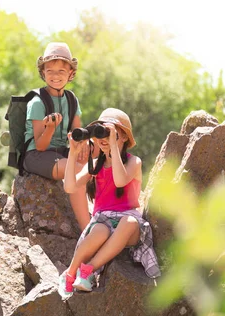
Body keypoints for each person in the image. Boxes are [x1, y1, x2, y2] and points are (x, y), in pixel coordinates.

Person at [59, 108, 161, 299]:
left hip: (127, 226)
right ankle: (70, 274)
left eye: (109, 132)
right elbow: (70, 187)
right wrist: (72, 153)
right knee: (99, 230)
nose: (103, 138)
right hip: (104, 221)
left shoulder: (134, 162)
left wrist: (113, 147)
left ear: (123, 137)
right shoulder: (96, 164)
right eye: (99, 133)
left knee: (128, 222)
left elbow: (121, 180)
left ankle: (88, 270)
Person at [23, 42, 91, 230]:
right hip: (37, 155)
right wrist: (51, 128)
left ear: (71, 73)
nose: (55, 75)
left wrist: (84, 143)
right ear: (43, 72)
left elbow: (77, 132)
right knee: (77, 171)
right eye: (50, 70)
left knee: (97, 157)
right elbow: (40, 146)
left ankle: (105, 209)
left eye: (61, 71)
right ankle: (87, 229)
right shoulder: (37, 103)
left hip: (62, 151)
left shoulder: (71, 99)